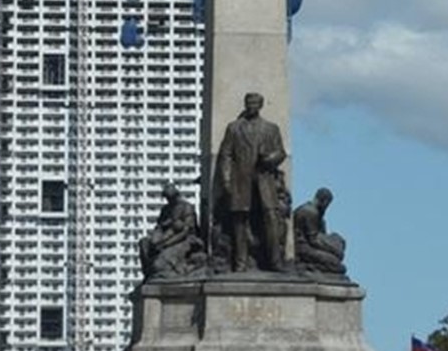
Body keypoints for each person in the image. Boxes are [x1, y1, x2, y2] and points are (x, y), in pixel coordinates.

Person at [214, 92, 288, 271]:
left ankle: (275, 261)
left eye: (255, 103)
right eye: (248, 102)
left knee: (271, 219)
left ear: (260, 105)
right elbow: (226, 154)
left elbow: (281, 152)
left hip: (264, 180)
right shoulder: (234, 128)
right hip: (241, 180)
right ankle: (240, 263)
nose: (251, 105)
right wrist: (226, 180)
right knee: (240, 221)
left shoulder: (271, 128)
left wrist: (270, 159)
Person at [139, 183, 204, 279]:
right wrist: (156, 237)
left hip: (182, 240)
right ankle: (148, 274)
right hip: (165, 236)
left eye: (171, 198)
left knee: (159, 264)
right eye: (167, 198)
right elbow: (159, 226)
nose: (169, 200)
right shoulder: (166, 209)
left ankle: (169, 269)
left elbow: (186, 231)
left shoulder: (186, 207)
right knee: (144, 243)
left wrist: (165, 244)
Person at [292, 187, 346, 275]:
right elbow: (313, 240)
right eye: (327, 204)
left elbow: (320, 235)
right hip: (304, 249)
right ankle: (306, 266)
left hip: (310, 246)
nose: (327, 207)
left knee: (337, 239)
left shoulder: (316, 213)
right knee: (338, 266)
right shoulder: (310, 212)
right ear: (324, 201)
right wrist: (335, 250)